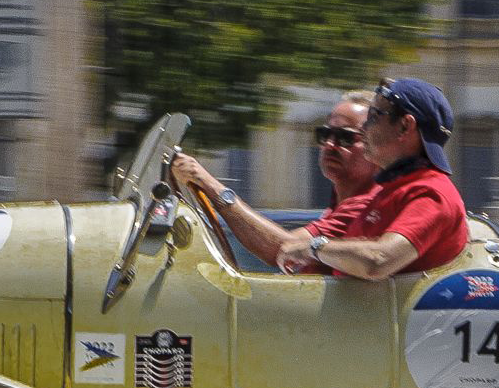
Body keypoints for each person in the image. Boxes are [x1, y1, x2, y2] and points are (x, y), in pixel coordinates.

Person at [270, 77, 469, 280]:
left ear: (404, 126)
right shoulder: (390, 191)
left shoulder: (430, 193)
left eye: (374, 116)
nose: (364, 127)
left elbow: (379, 261)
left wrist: (314, 247)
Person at [170, 90, 379, 270]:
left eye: (346, 138)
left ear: (376, 145)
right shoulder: (339, 204)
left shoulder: (365, 205)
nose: (330, 145)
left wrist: (206, 181)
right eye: (325, 134)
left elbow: (284, 250)